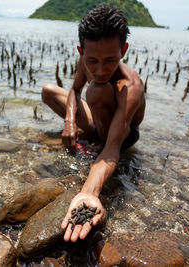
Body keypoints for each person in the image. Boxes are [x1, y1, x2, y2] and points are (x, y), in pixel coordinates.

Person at [41, 5, 145, 242]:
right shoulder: (85, 61)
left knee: (97, 91)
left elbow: (111, 150)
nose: (100, 69)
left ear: (124, 50)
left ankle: (93, 142)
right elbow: (75, 90)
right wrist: (69, 122)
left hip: (121, 135)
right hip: (98, 122)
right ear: (81, 51)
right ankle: (89, 137)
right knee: (48, 92)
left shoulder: (130, 87)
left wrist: (88, 192)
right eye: (92, 61)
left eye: (110, 60)